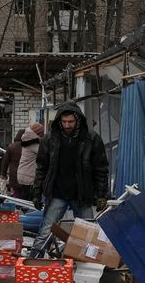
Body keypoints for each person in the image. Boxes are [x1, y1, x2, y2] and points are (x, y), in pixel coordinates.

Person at [31, 102, 109, 253]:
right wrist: (36, 193)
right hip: (57, 193)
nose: (67, 125)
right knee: (45, 232)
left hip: (82, 194)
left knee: (89, 236)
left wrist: (102, 195)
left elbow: (101, 169)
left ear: (78, 120)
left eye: (70, 122)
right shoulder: (49, 139)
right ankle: (33, 264)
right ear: (59, 121)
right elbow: (41, 168)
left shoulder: (91, 139)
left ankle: (89, 268)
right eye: (64, 122)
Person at [16, 122, 44, 200]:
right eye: (42, 132)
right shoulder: (34, 144)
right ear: (37, 133)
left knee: (26, 198)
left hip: (23, 173)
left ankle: (25, 210)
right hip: (29, 176)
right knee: (30, 200)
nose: (43, 134)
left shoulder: (28, 141)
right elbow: (46, 154)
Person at [0, 129, 25, 198]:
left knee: (16, 193)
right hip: (27, 175)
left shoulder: (11, 146)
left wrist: (3, 173)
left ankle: (17, 206)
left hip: (14, 174)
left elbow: (5, 162)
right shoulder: (28, 147)